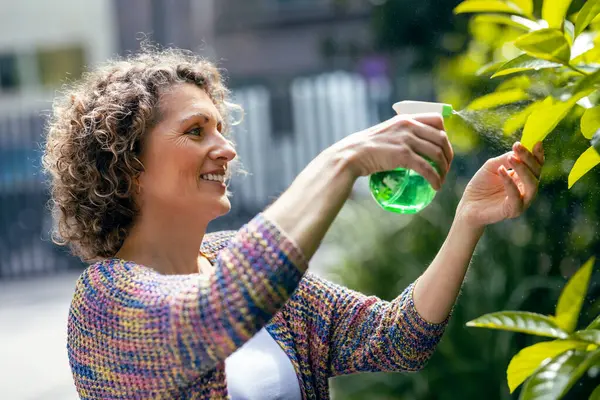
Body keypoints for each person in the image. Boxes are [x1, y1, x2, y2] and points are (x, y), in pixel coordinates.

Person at [42, 46, 544, 400]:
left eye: (220, 126)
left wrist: (469, 219)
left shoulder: (231, 256)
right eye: (195, 131)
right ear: (127, 166)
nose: (226, 148)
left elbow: (395, 338)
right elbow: (217, 314)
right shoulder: (104, 304)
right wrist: (341, 161)